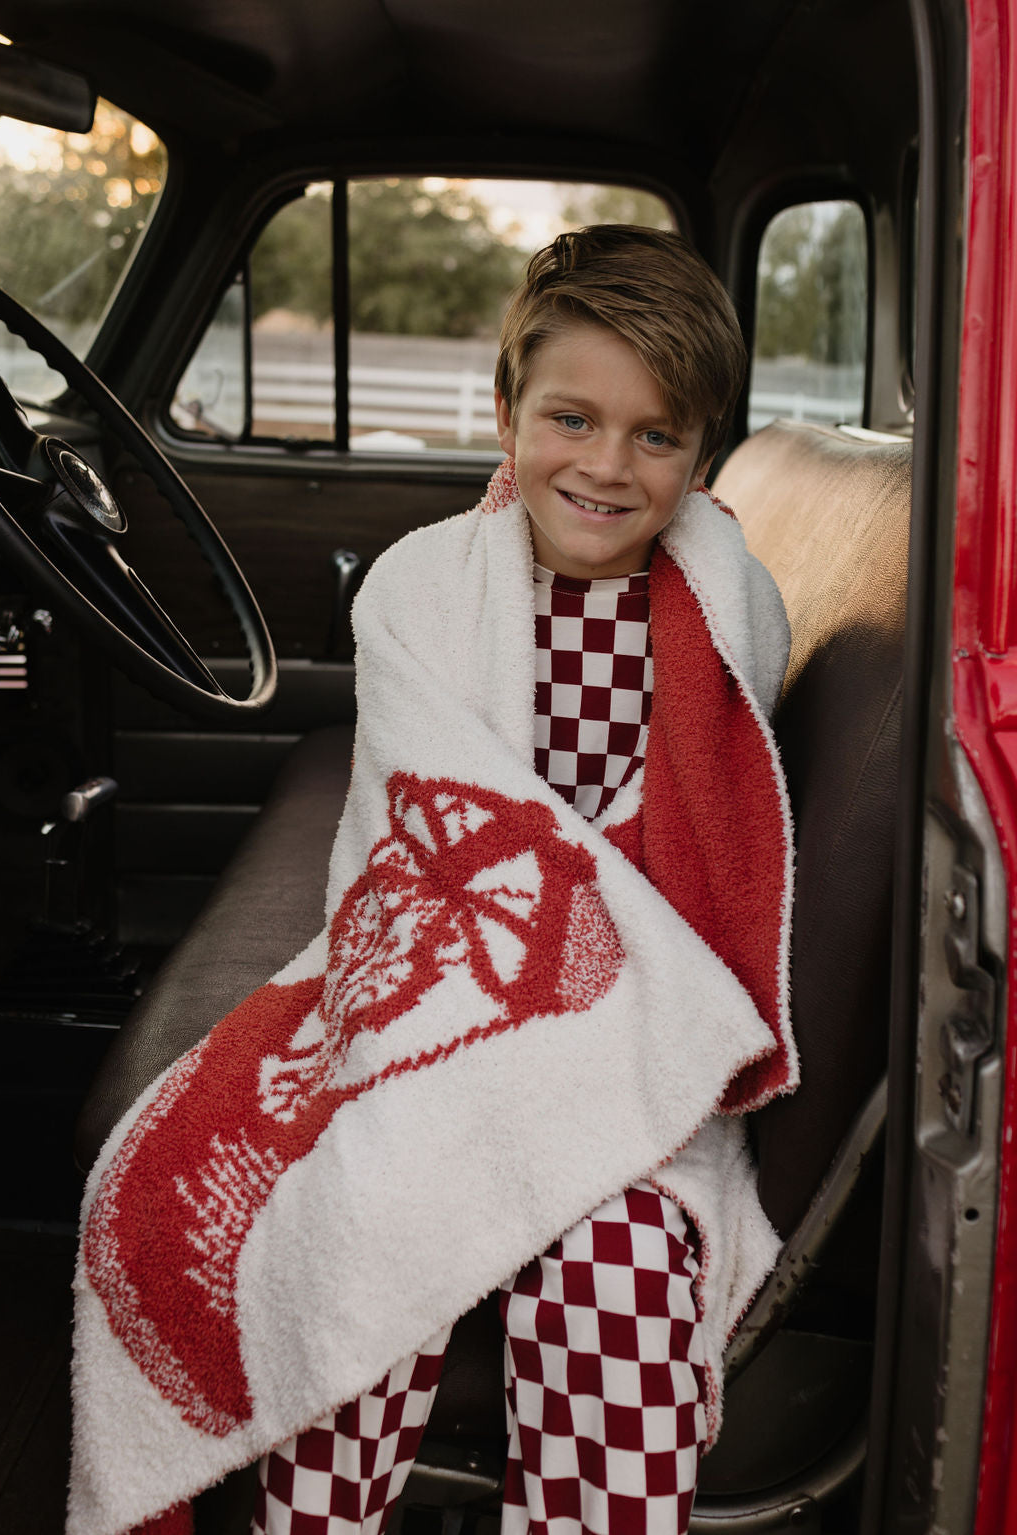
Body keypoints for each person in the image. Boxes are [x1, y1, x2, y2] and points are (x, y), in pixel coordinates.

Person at [68, 227, 796, 1535]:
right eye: (572, 416)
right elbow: (421, 850)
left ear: (700, 455)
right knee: (365, 1214)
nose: (608, 465)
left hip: (635, 1040)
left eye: (656, 437)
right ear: (507, 410)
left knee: (619, 1266)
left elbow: (700, 875)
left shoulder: (726, 605)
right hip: (434, 1011)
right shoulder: (423, 586)